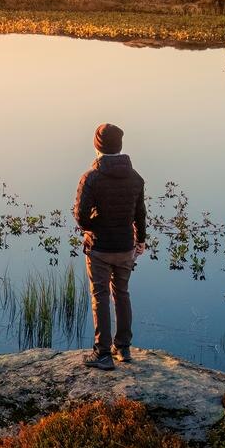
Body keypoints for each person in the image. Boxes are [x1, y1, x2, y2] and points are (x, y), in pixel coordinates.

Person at [73, 122, 145, 370]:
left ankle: (102, 353)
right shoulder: (135, 178)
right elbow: (140, 214)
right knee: (122, 293)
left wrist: (95, 227)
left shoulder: (91, 178)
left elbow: (80, 216)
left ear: (98, 147)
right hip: (125, 247)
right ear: (120, 146)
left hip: (100, 249)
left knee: (100, 296)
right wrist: (141, 240)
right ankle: (123, 348)